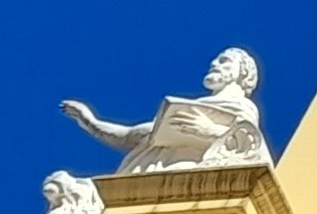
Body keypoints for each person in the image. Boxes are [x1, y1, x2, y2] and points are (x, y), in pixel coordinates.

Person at [65, 49, 273, 173]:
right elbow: (134, 135)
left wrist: (208, 129)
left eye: (224, 61)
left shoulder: (242, 107)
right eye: (216, 60)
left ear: (243, 72)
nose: (214, 64)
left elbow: (249, 148)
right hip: (150, 175)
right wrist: (91, 122)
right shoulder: (190, 108)